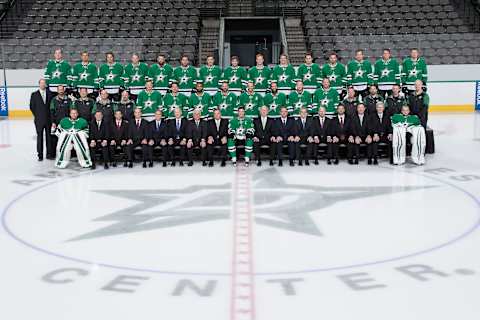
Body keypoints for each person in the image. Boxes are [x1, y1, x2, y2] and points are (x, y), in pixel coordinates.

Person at [30, 79, 54, 161]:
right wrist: (38, 116)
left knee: (49, 137)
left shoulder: (50, 94)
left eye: (44, 83)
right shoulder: (34, 94)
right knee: (39, 137)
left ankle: (49, 154)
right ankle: (40, 155)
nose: (43, 85)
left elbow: (51, 107)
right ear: (39, 84)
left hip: (48, 120)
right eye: (41, 83)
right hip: (39, 120)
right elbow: (32, 107)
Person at [49, 85, 72, 156]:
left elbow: (71, 111)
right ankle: (55, 154)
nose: (61, 91)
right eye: (59, 90)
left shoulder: (69, 99)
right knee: (56, 139)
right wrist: (53, 122)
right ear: (57, 91)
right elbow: (52, 111)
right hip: (57, 122)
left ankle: (67, 153)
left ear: (64, 90)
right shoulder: (53, 100)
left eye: (62, 89)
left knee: (67, 139)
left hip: (67, 123)